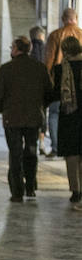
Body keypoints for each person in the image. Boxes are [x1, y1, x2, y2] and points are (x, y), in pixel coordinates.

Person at [0, 35, 52, 202]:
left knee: (15, 154)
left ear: (16, 49)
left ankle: (17, 191)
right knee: (31, 152)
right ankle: (31, 187)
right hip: (33, 117)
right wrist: (41, 106)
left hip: (12, 118)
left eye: (12, 47)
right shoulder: (39, 68)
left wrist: (2, 109)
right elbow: (49, 92)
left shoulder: (6, 69)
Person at [50, 35, 82, 209]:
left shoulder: (61, 69)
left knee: (72, 155)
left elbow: (56, 94)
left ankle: (75, 190)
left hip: (69, 116)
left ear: (65, 50)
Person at [45, 9, 82, 156]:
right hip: (78, 83)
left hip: (58, 82)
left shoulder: (55, 35)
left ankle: (56, 146)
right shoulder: (81, 34)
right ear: (76, 18)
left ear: (62, 19)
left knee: (54, 114)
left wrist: (48, 81)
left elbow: (49, 61)